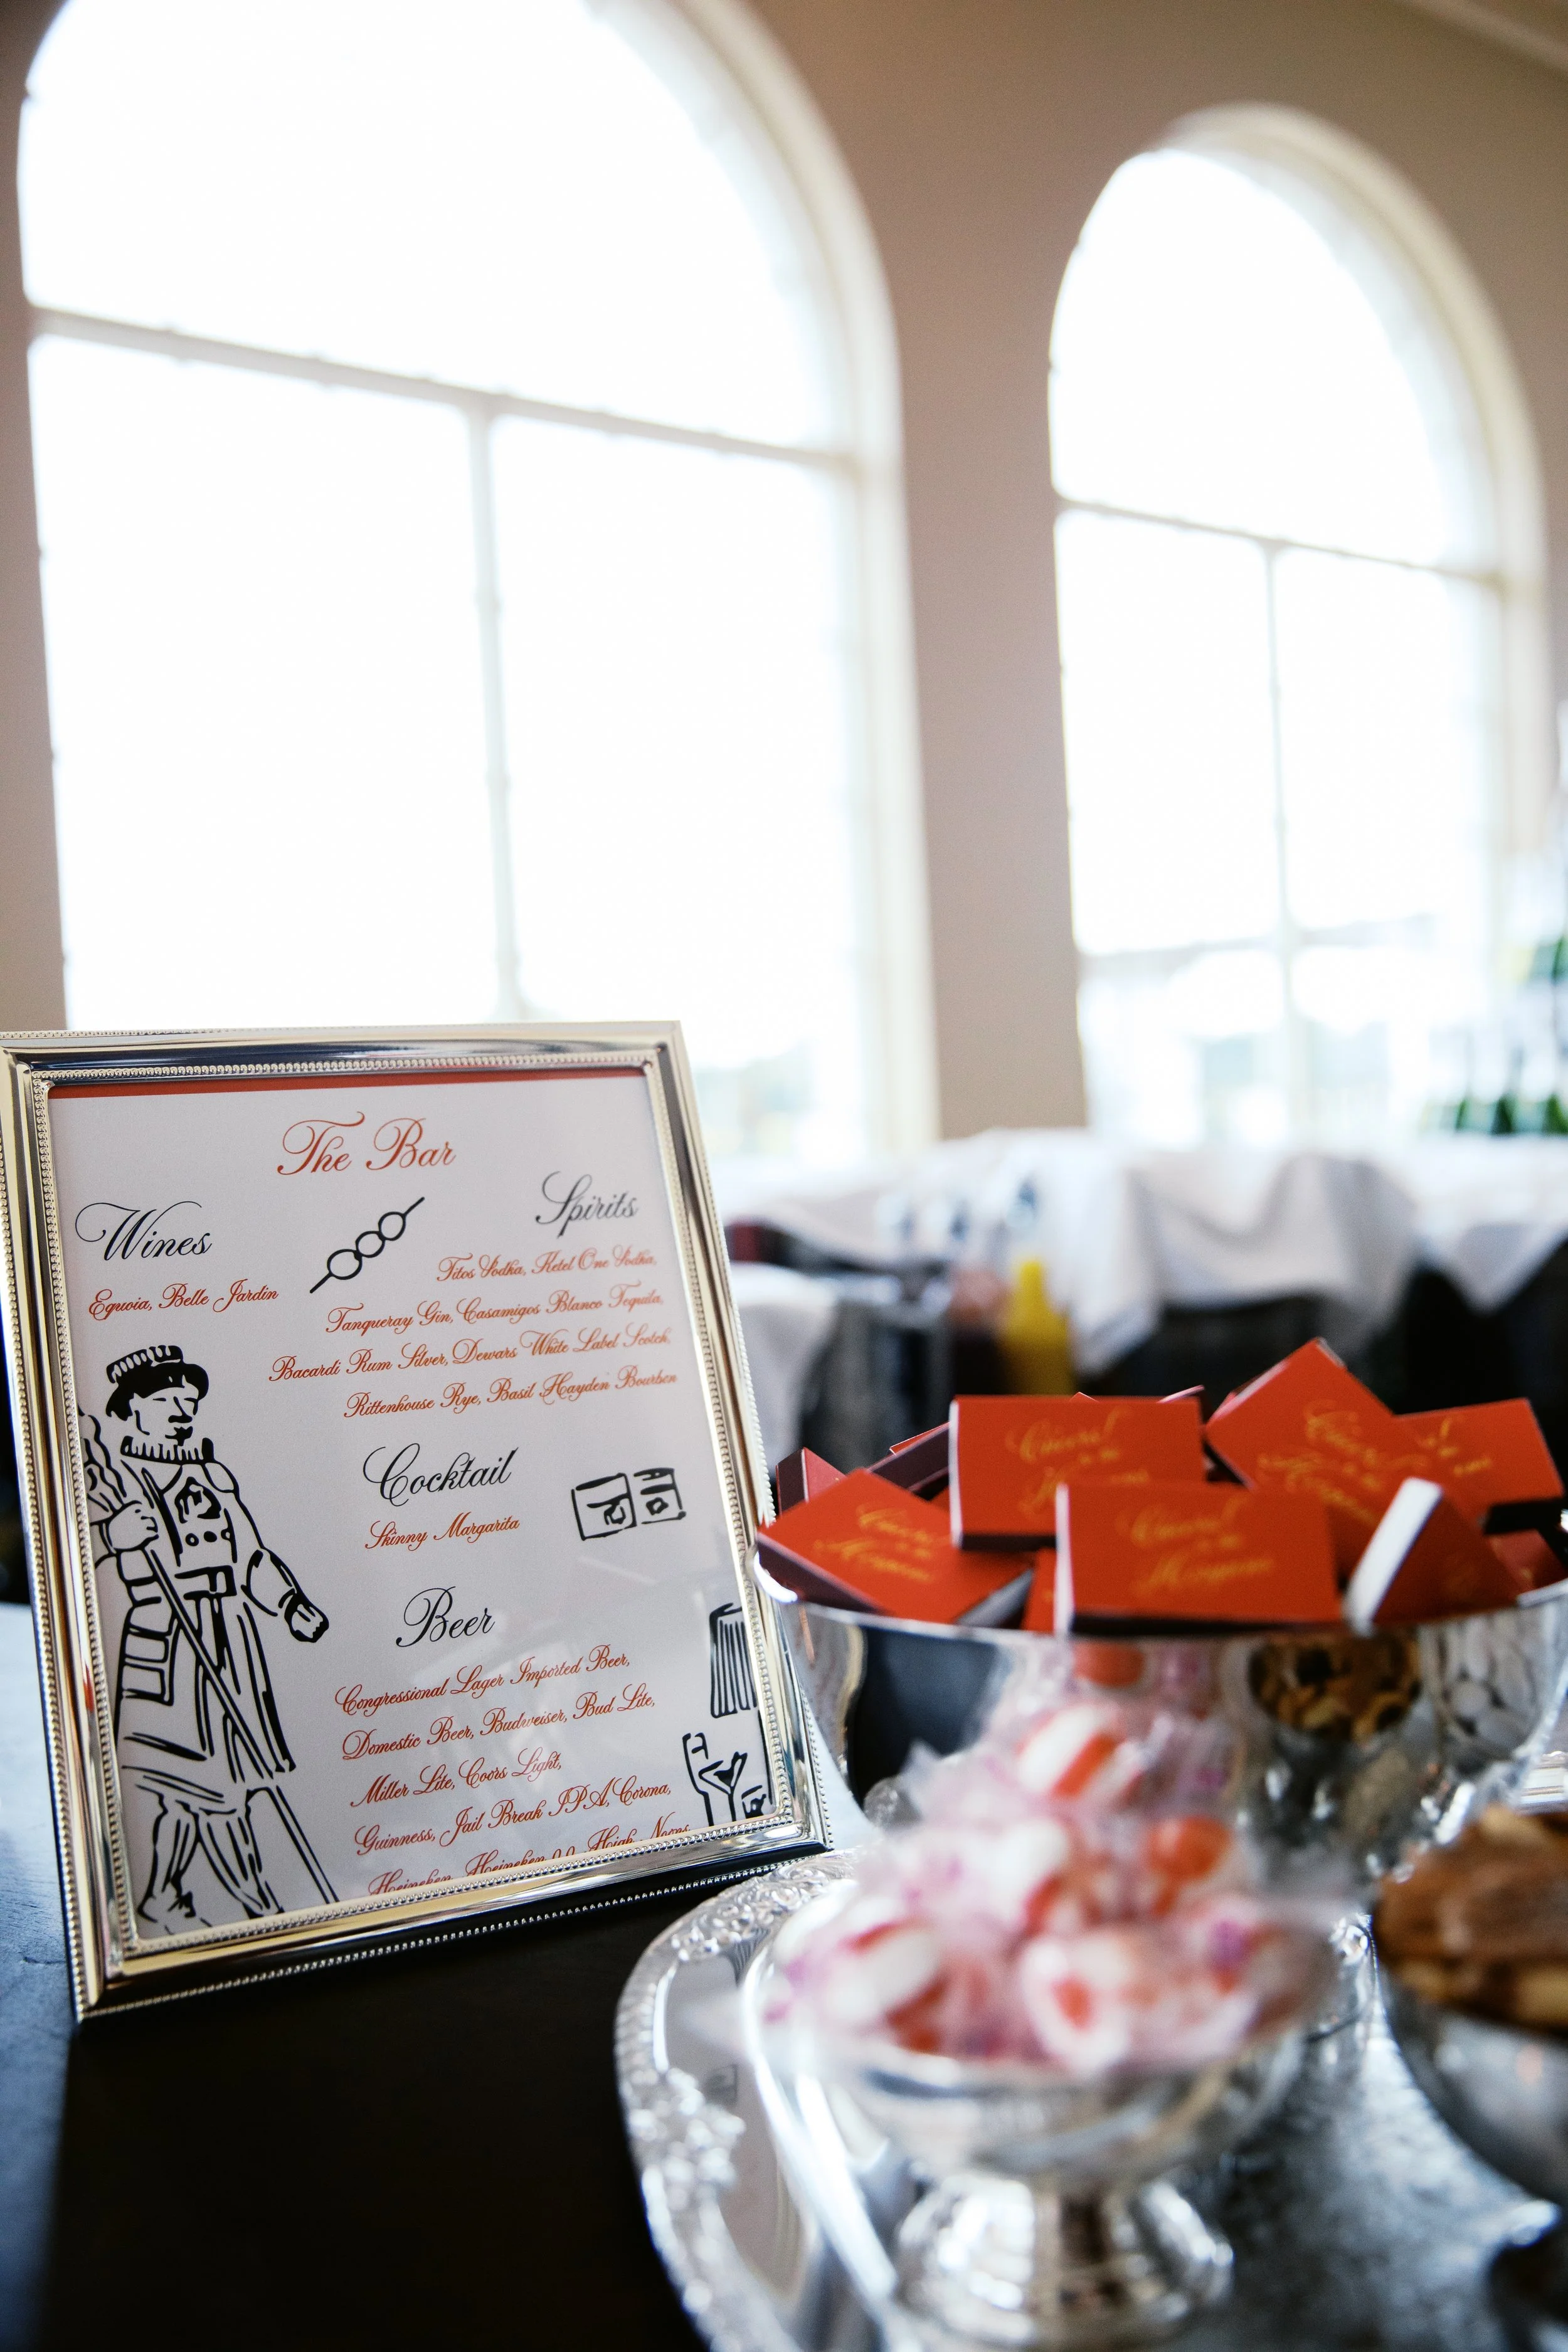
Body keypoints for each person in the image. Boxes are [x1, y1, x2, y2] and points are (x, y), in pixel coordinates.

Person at [85, 1343, 331, 1931]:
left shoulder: (212, 1474)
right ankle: (262, 1909)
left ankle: (161, 1897)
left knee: (188, 1789)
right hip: (167, 1645)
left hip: (228, 1638)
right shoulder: (117, 1482)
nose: (182, 1411)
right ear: (133, 1407)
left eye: (189, 1401)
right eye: (166, 1400)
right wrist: (113, 1535)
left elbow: (251, 1555)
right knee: (218, 1790)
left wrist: (289, 1603)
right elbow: (65, 1564)